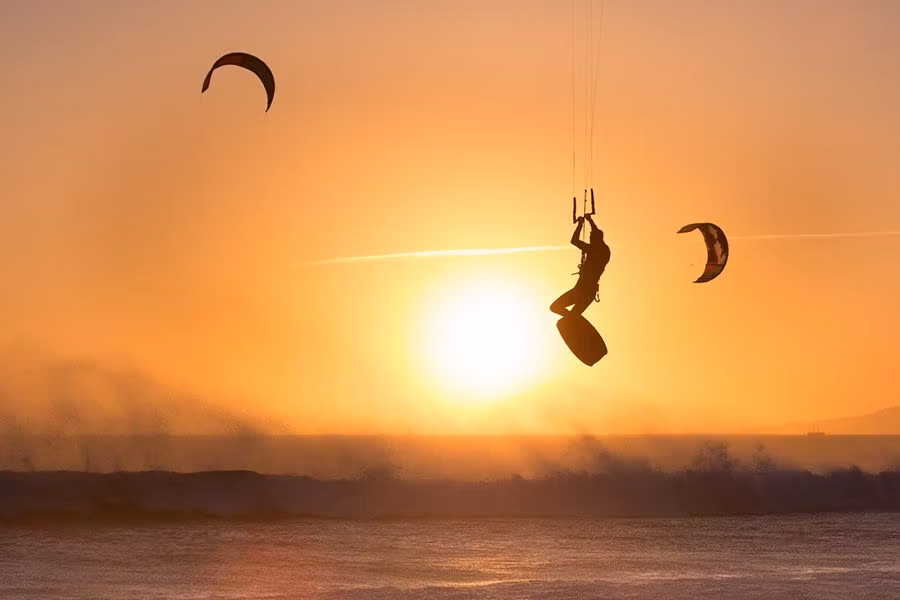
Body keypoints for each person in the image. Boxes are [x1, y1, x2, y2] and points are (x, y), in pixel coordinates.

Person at [550, 214, 610, 317]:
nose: (590, 240)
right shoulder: (604, 251)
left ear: (595, 240)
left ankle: (571, 319)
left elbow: (574, 241)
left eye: (591, 238)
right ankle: (572, 319)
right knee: (572, 316)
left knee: (555, 307)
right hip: (588, 294)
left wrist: (580, 225)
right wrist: (590, 221)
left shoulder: (593, 250)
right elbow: (596, 234)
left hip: (580, 292)